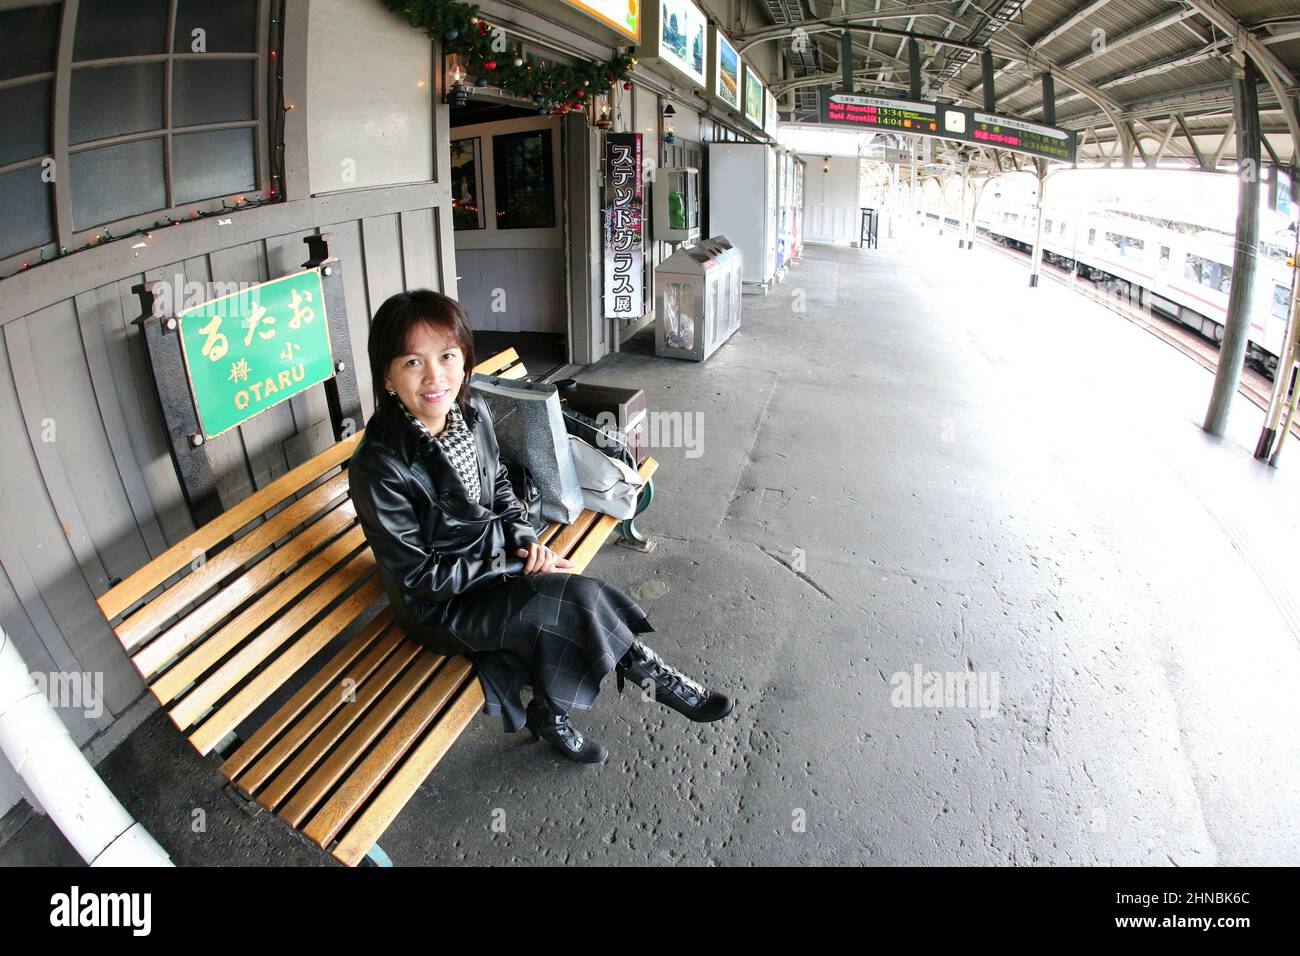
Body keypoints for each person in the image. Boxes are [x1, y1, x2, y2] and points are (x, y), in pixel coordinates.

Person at [348, 290, 734, 764]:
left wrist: (527, 541)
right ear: (386, 373)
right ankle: (638, 676)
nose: (435, 377)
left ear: (465, 359)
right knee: (568, 596)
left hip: (492, 566)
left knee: (563, 595)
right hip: (441, 606)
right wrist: (513, 559)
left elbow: (503, 486)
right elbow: (422, 578)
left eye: (447, 356)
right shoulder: (380, 465)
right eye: (412, 362)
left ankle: (556, 711)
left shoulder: (469, 413)